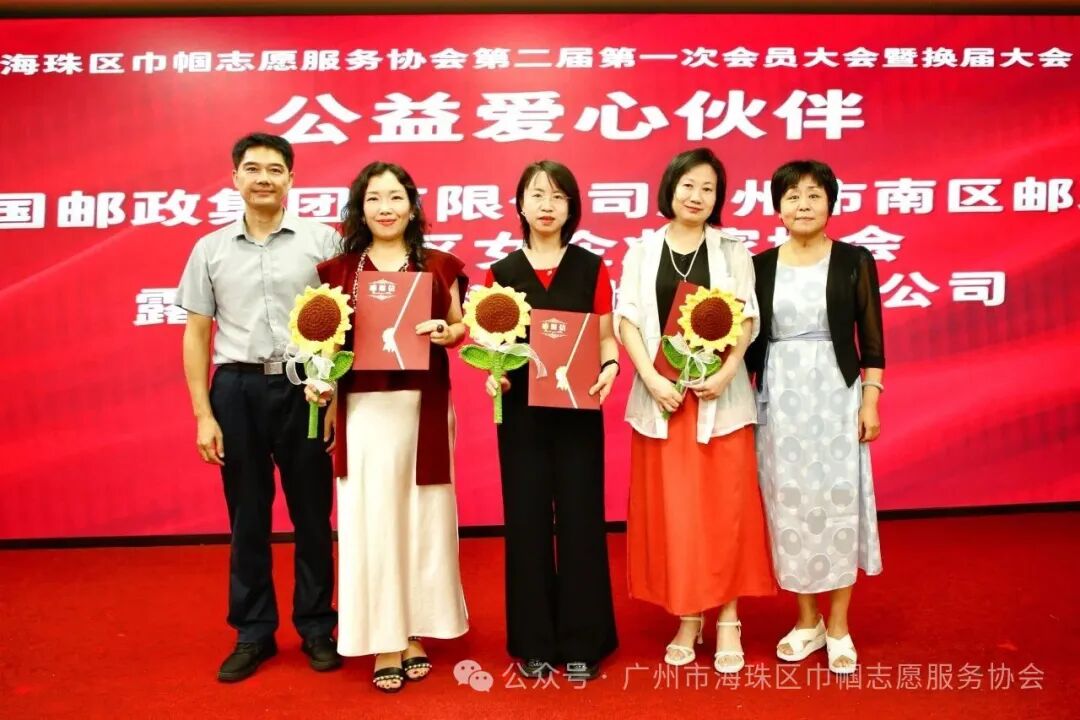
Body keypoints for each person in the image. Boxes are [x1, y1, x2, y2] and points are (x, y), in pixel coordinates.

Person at [177, 133, 342, 682]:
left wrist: (332, 393)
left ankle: (317, 626)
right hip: (237, 389)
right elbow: (197, 333)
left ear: (291, 178)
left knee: (312, 514)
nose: (264, 178)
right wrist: (204, 414)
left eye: (275, 169)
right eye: (253, 169)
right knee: (247, 515)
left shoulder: (322, 241)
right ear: (235, 178)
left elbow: (346, 322)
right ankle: (253, 632)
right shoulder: (210, 248)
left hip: (307, 388)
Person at [614, 148, 776, 674]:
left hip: (719, 402)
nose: (696, 196)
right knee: (678, 516)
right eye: (688, 185)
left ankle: (728, 618)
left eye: (708, 188)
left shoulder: (732, 251)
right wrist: (652, 378)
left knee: (725, 512)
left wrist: (727, 375)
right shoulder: (643, 250)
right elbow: (626, 320)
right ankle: (688, 616)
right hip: (663, 401)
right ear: (670, 188)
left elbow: (746, 319)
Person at [312, 161, 469, 693]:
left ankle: (417, 628)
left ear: (413, 207)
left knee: (424, 517)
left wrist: (448, 332)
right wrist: (323, 393)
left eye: (396, 197)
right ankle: (384, 637)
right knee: (372, 520)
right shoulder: (338, 272)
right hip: (364, 411)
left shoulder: (440, 266)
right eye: (374, 198)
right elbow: (324, 346)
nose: (386, 208)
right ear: (360, 208)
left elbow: (459, 326)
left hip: (423, 408)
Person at [745, 160, 885, 675]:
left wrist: (870, 399)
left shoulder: (854, 260)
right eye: (792, 196)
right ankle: (808, 622)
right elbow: (747, 340)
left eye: (813, 195)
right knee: (789, 507)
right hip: (779, 399)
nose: (803, 205)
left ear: (830, 203)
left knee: (838, 502)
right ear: (777, 207)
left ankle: (840, 626)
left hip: (836, 394)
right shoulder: (759, 266)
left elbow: (871, 339)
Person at [483, 161, 619, 681]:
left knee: (582, 520)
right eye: (537, 195)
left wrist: (610, 366)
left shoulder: (591, 267)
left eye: (558, 196)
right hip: (522, 412)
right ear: (520, 204)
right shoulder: (501, 274)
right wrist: (495, 376)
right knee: (527, 522)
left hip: (579, 408)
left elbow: (604, 336)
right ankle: (534, 640)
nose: (546, 205)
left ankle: (585, 639)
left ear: (572, 207)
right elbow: (492, 347)